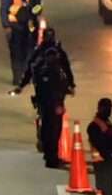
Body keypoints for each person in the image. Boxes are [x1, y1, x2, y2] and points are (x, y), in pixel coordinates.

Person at [12, 27, 76, 167]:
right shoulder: (56, 53)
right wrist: (71, 86)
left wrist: (21, 86)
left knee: (47, 126)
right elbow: (66, 70)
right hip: (53, 99)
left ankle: (49, 153)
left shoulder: (39, 53)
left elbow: (29, 70)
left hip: (43, 98)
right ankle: (51, 156)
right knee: (53, 128)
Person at [0, 0, 43, 88]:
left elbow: (35, 8)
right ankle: (18, 78)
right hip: (14, 29)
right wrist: (7, 27)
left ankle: (26, 76)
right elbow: (3, 12)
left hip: (26, 28)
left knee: (28, 53)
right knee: (16, 54)